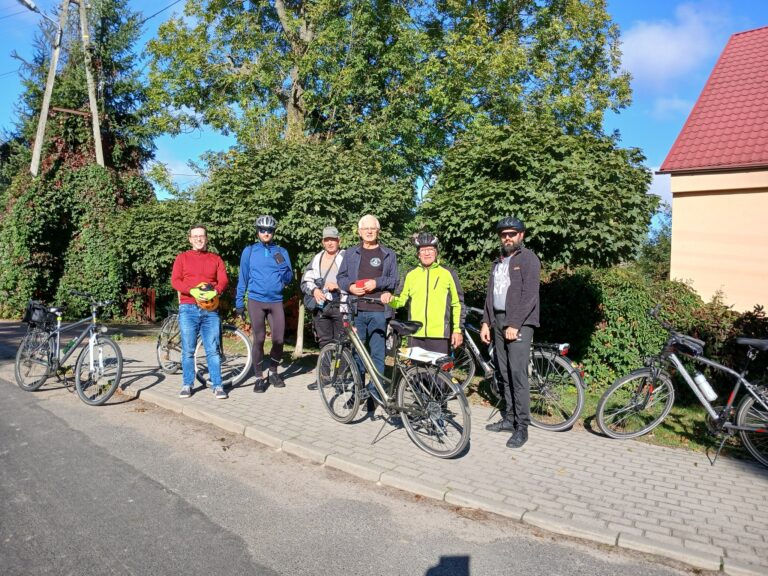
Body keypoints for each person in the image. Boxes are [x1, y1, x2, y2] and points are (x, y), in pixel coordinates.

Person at [480, 216, 540, 449]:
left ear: (521, 235)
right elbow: (491, 295)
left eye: (512, 234)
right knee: (503, 372)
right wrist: (486, 321)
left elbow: (530, 296)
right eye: (504, 234)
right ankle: (509, 419)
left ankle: (522, 427)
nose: (507, 238)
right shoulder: (498, 262)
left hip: (520, 323)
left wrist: (514, 324)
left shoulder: (529, 259)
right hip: (499, 320)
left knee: (517, 374)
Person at [337, 214, 399, 405]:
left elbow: (395, 281)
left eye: (373, 228)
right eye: (366, 229)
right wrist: (350, 287)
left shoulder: (388, 254)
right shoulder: (350, 254)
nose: (369, 231)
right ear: (359, 232)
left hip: (379, 311)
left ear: (378, 231)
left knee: (378, 355)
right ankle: (358, 393)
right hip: (356, 310)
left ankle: (374, 394)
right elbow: (341, 277)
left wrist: (377, 282)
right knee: (358, 354)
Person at [381, 232, 464, 355]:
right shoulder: (410, 274)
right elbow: (400, 300)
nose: (426, 253)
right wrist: (390, 299)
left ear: (436, 252)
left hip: (440, 335)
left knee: (438, 373)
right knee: (416, 373)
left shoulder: (448, 273)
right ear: (418, 254)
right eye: (423, 250)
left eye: (430, 249)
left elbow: (458, 304)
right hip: (415, 334)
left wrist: (457, 330)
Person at [235, 215, 293, 393]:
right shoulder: (250, 251)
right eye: (262, 230)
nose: (265, 233)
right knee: (259, 339)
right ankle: (259, 377)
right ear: (258, 231)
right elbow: (243, 278)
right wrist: (239, 302)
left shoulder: (281, 252)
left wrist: (283, 266)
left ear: (273, 232)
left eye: (269, 230)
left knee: (278, 339)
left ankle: (274, 371)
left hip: (275, 301)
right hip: (256, 300)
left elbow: (289, 279)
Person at [171, 225, 229, 399]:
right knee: (188, 350)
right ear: (190, 239)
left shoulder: (215, 259)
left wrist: (216, 291)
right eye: (195, 236)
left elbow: (223, 280)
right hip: (188, 308)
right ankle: (187, 384)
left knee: (212, 349)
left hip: (210, 309)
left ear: (206, 238)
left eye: (201, 236)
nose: (198, 239)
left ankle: (217, 385)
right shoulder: (182, 258)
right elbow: (175, 281)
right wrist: (192, 290)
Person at [301, 226, 346, 350]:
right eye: (327, 240)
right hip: (321, 307)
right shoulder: (317, 258)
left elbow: (354, 281)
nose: (330, 243)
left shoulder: (346, 257)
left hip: (341, 307)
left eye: (333, 239)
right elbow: (306, 280)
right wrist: (314, 290)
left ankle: (342, 370)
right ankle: (324, 370)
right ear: (323, 242)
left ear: (339, 240)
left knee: (342, 343)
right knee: (324, 343)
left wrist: (338, 286)